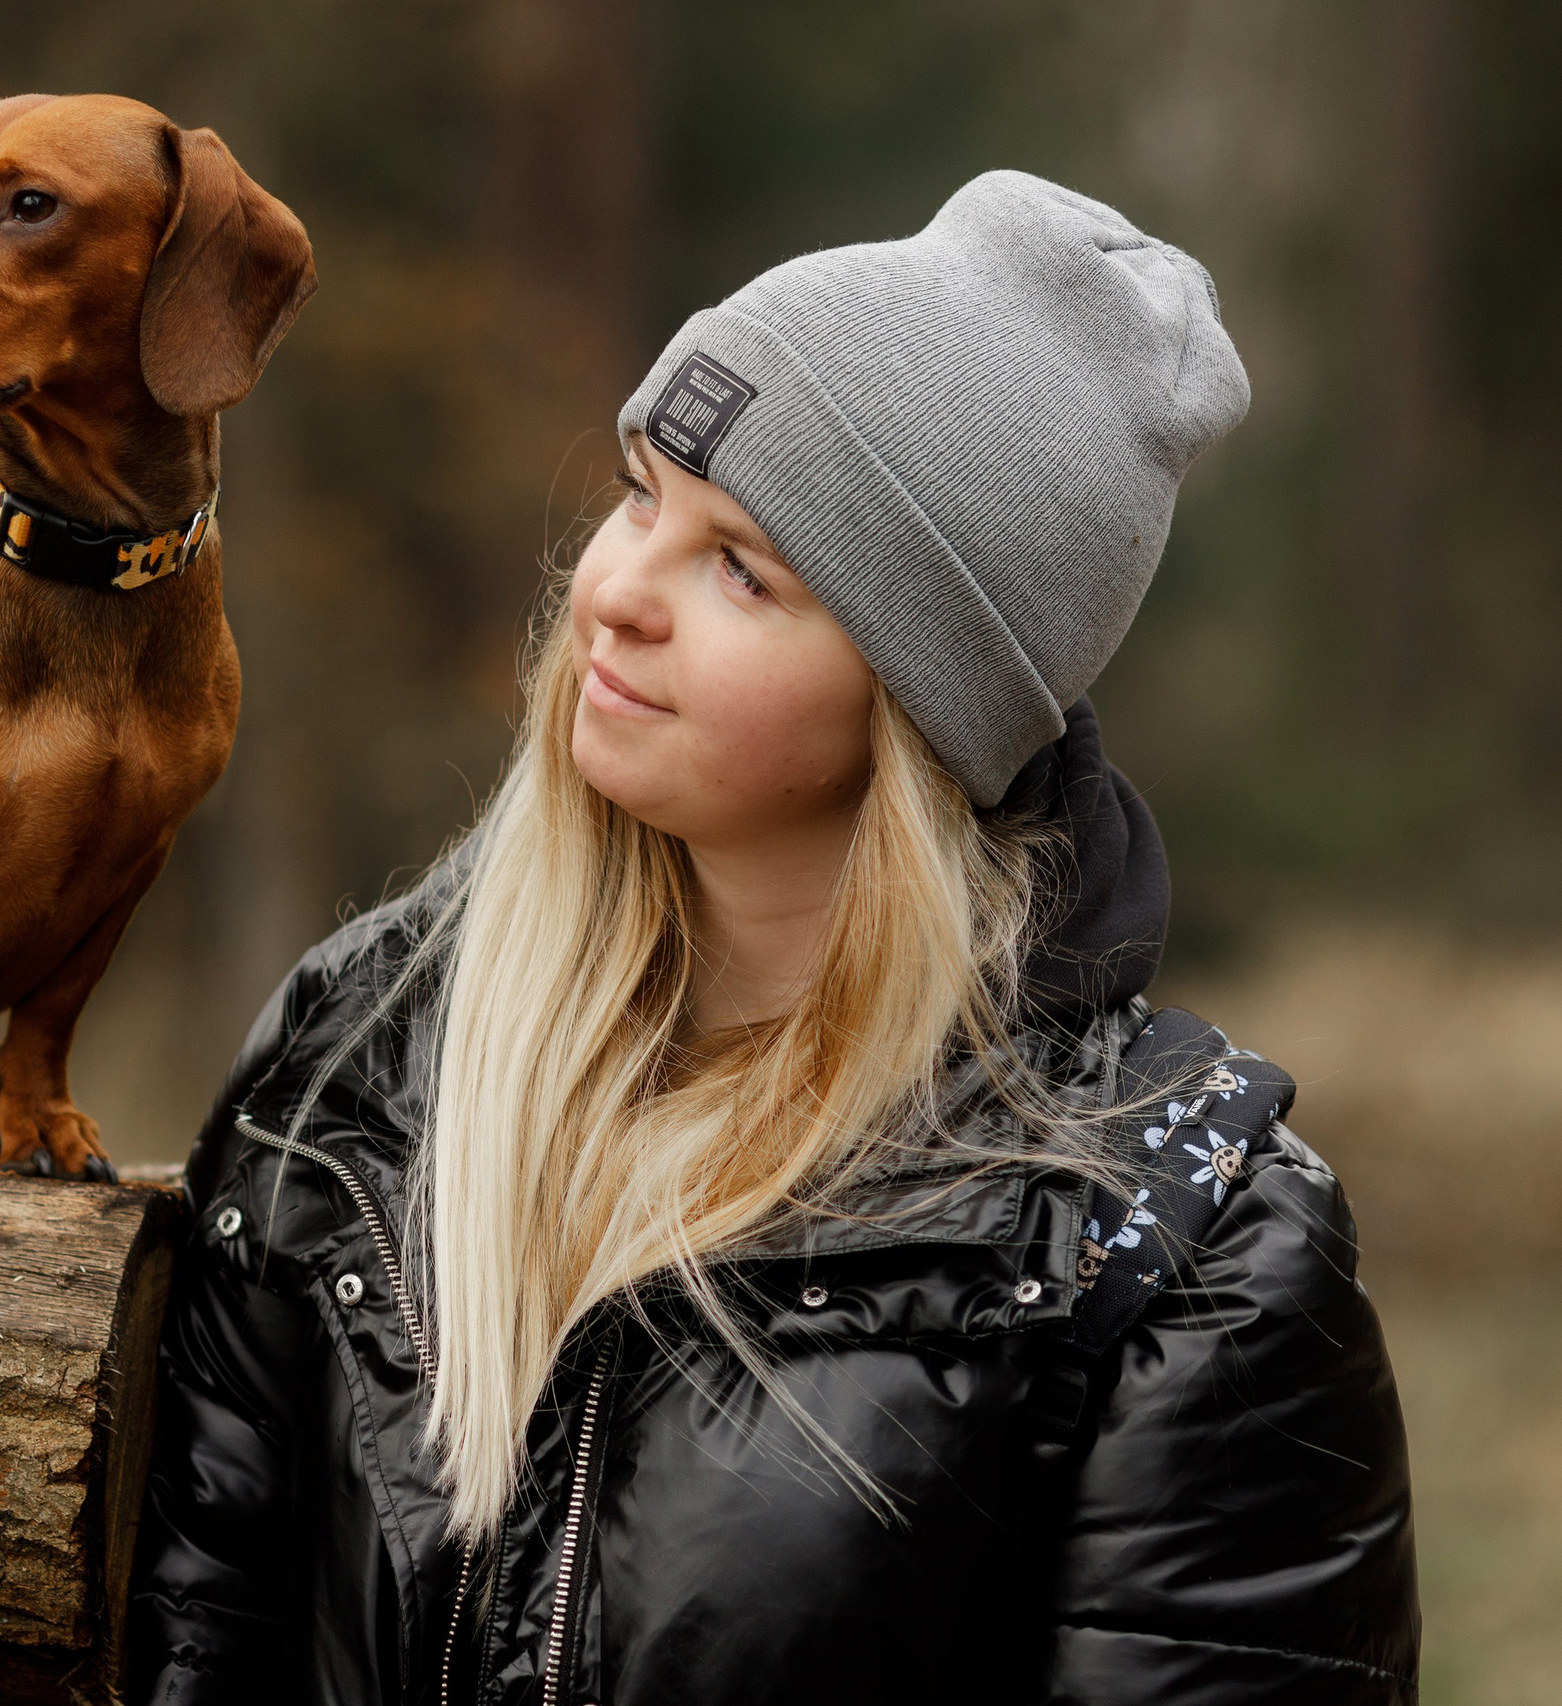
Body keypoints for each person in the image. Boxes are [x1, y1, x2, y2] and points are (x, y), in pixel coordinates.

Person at [122, 171, 1421, 1705]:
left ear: (925, 699)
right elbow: (204, 1650)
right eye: (640, 493)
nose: (616, 592)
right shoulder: (363, 1054)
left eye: (743, 568)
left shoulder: (1185, 1264)